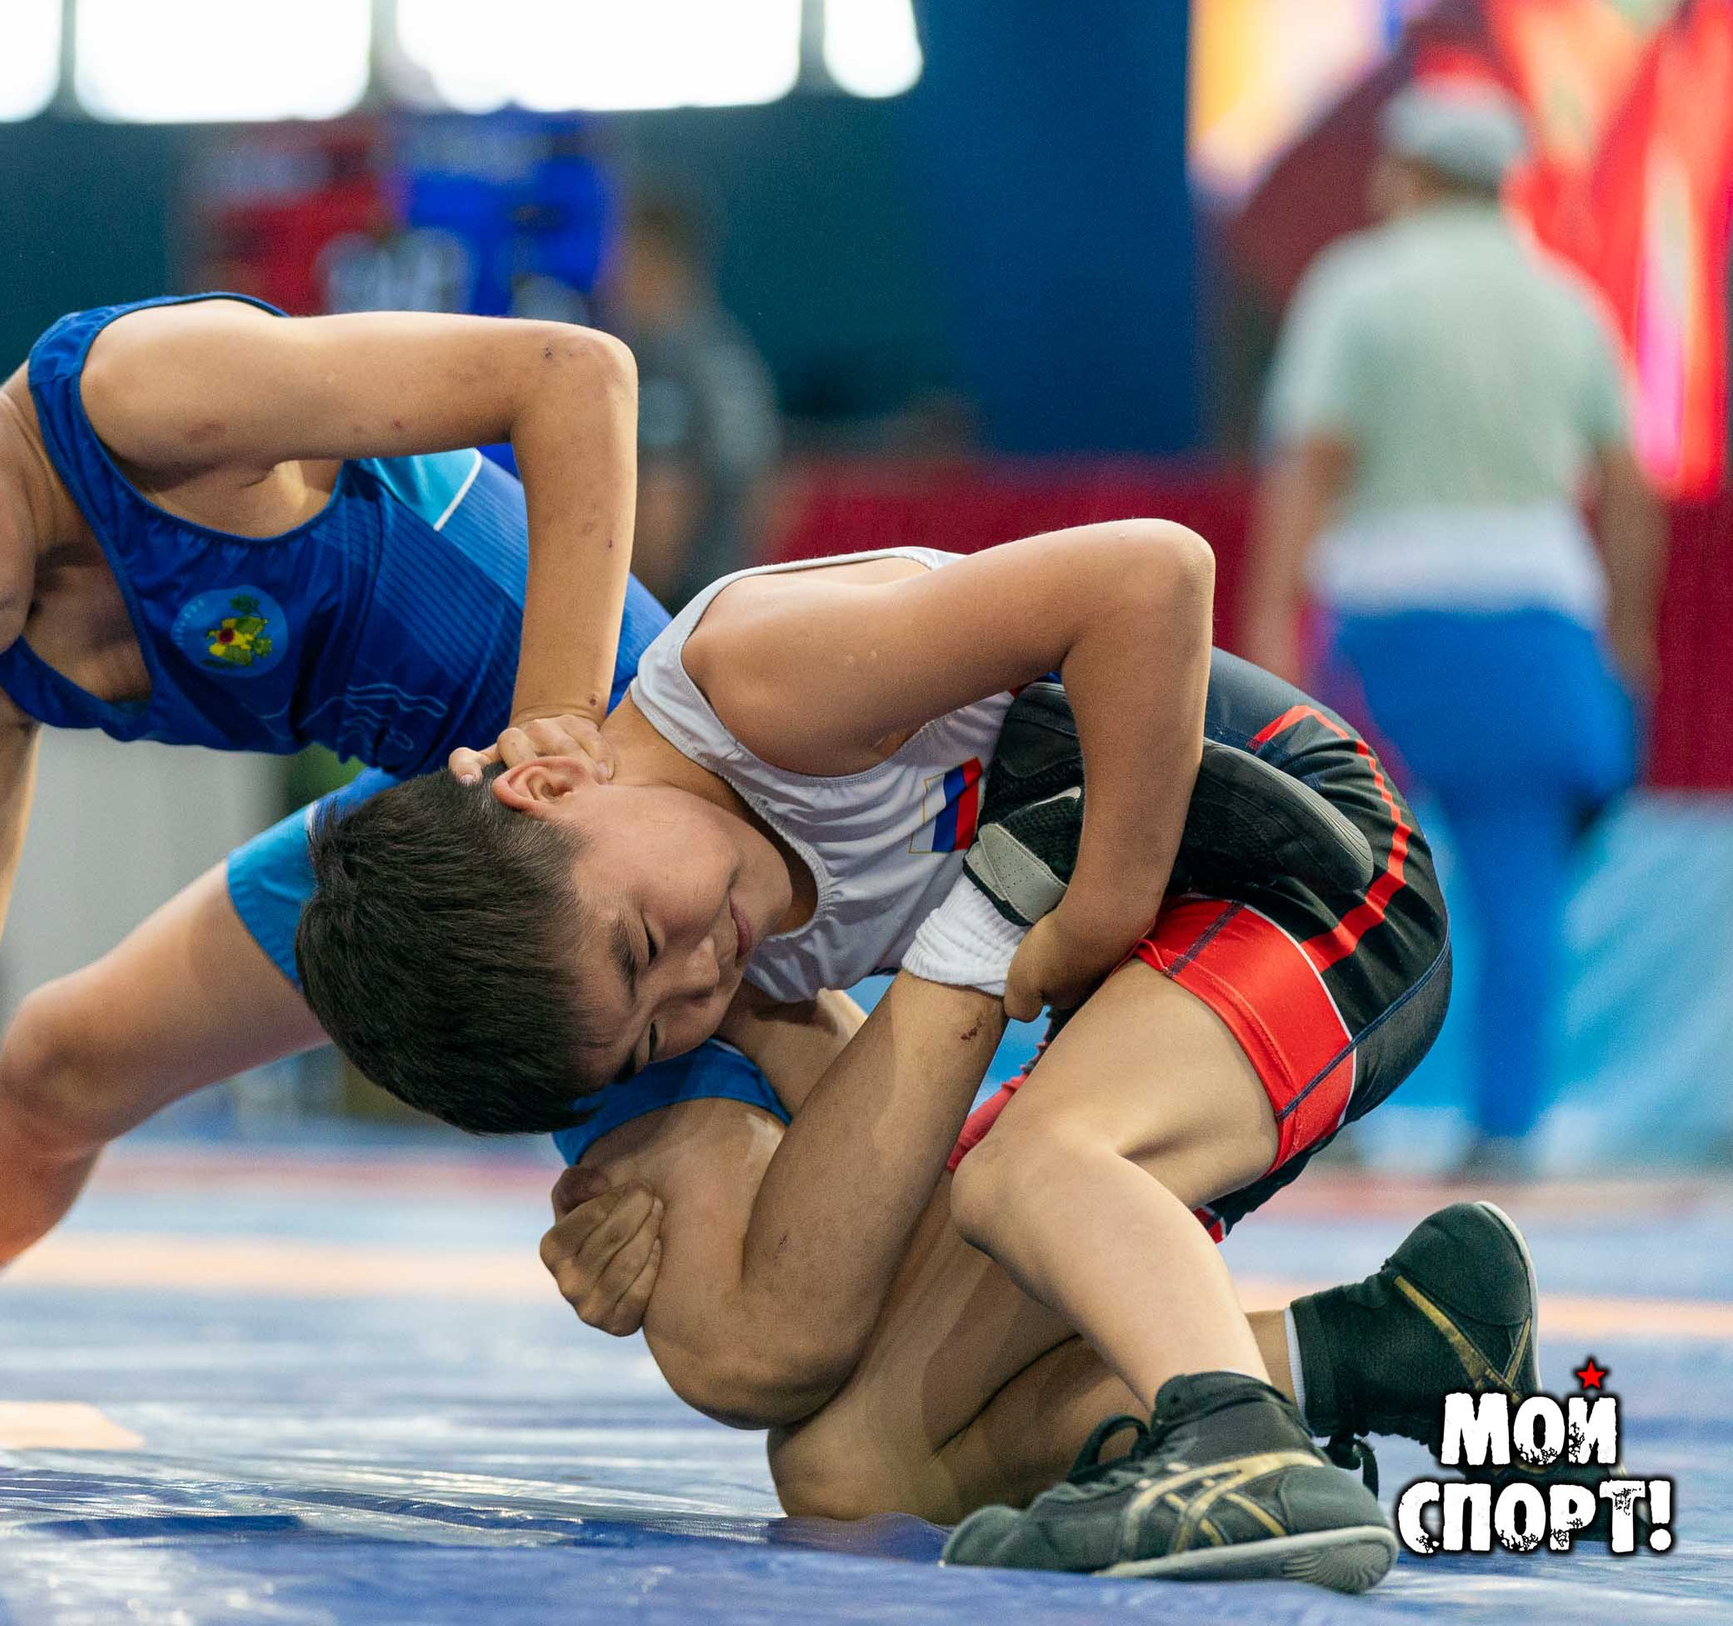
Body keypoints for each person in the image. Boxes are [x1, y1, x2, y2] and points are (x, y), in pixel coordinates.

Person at [0, 279, 655, 1480]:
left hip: (632, 785)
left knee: (738, 1350)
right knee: (57, 1061)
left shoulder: (140, 396)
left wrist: (559, 728)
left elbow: (574, 375)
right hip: (439, 822)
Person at [295, 527, 1474, 1588]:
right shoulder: (721, 931)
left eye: (645, 944)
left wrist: (1102, 906)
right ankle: (1389, 1344)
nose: (698, 981)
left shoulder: (756, 684)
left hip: (1311, 868)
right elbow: (881, 1175)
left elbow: (1152, 573)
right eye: (653, 1034)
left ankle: (1244, 1455)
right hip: (1179, 953)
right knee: (852, 1468)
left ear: (551, 783)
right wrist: (626, 1236)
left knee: (1028, 1174)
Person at [1243, 80, 1666, 1175]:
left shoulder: (1357, 288)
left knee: (1340, 872)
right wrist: (1627, 637)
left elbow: (1311, 464)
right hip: (1536, 625)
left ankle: (1321, 1112)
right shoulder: (1566, 300)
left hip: (1386, 621)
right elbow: (1629, 491)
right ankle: (1505, 1130)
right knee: (1519, 888)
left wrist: (1269, 622)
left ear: (1408, 175)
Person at [609, 191, 781, 610]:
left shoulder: (662, 358)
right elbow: (772, 496)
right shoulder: (729, 351)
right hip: (723, 599)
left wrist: (632, 615)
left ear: (652, 259)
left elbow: (661, 513)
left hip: (667, 608)